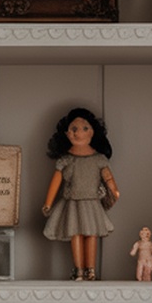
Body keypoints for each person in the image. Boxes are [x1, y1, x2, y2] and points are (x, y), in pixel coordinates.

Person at [42, 107, 119, 281]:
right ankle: (78, 269)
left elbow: (108, 177)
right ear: (67, 134)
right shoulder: (66, 159)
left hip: (92, 203)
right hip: (73, 203)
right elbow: (55, 182)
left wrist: (114, 190)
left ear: (92, 132)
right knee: (75, 234)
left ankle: (90, 269)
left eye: (84, 128)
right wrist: (48, 202)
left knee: (91, 234)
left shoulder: (99, 159)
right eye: (73, 129)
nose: (78, 133)